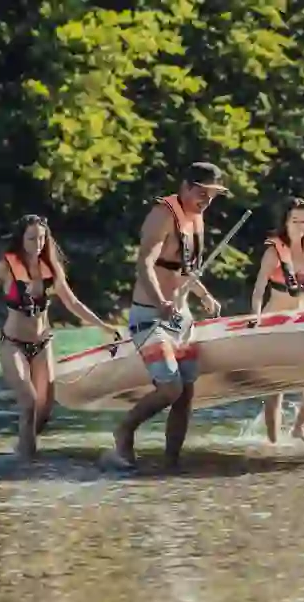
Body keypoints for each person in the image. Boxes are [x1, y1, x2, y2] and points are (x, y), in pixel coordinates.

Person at [0, 214, 120, 460]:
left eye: (42, 238)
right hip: (13, 344)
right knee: (29, 402)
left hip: (42, 344)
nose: (38, 243)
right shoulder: (5, 267)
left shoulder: (51, 269)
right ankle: (27, 466)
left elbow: (72, 302)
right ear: (21, 239)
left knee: (44, 411)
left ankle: (21, 451)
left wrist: (103, 325)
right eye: (32, 238)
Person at [102, 162, 226, 471]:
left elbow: (185, 270)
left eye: (212, 196)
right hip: (149, 317)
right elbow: (145, 264)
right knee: (170, 388)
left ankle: (172, 464)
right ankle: (124, 431)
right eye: (202, 194)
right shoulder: (162, 215)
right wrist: (159, 301)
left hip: (180, 318)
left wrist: (204, 295)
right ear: (185, 187)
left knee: (186, 394)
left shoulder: (196, 219)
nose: (207, 201)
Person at [249, 196, 304, 444]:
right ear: (285, 222)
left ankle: (298, 427)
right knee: (276, 385)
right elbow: (259, 288)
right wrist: (255, 318)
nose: (300, 225)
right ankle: (273, 441)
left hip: (302, 318)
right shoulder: (274, 251)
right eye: (295, 221)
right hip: (275, 320)